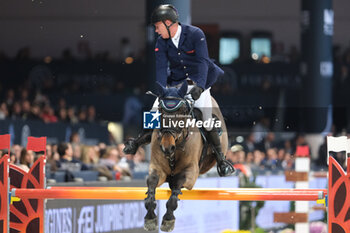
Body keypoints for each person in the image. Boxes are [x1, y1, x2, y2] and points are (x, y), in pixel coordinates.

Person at [123, 4, 234, 176]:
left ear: (168, 23)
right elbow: (160, 68)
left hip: (199, 82)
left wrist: (200, 87)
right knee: (154, 111)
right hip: (175, 85)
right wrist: (161, 90)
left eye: (157, 26)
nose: (157, 30)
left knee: (206, 118)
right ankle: (137, 142)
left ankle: (221, 159)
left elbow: (203, 62)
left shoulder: (196, 34)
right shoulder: (161, 41)